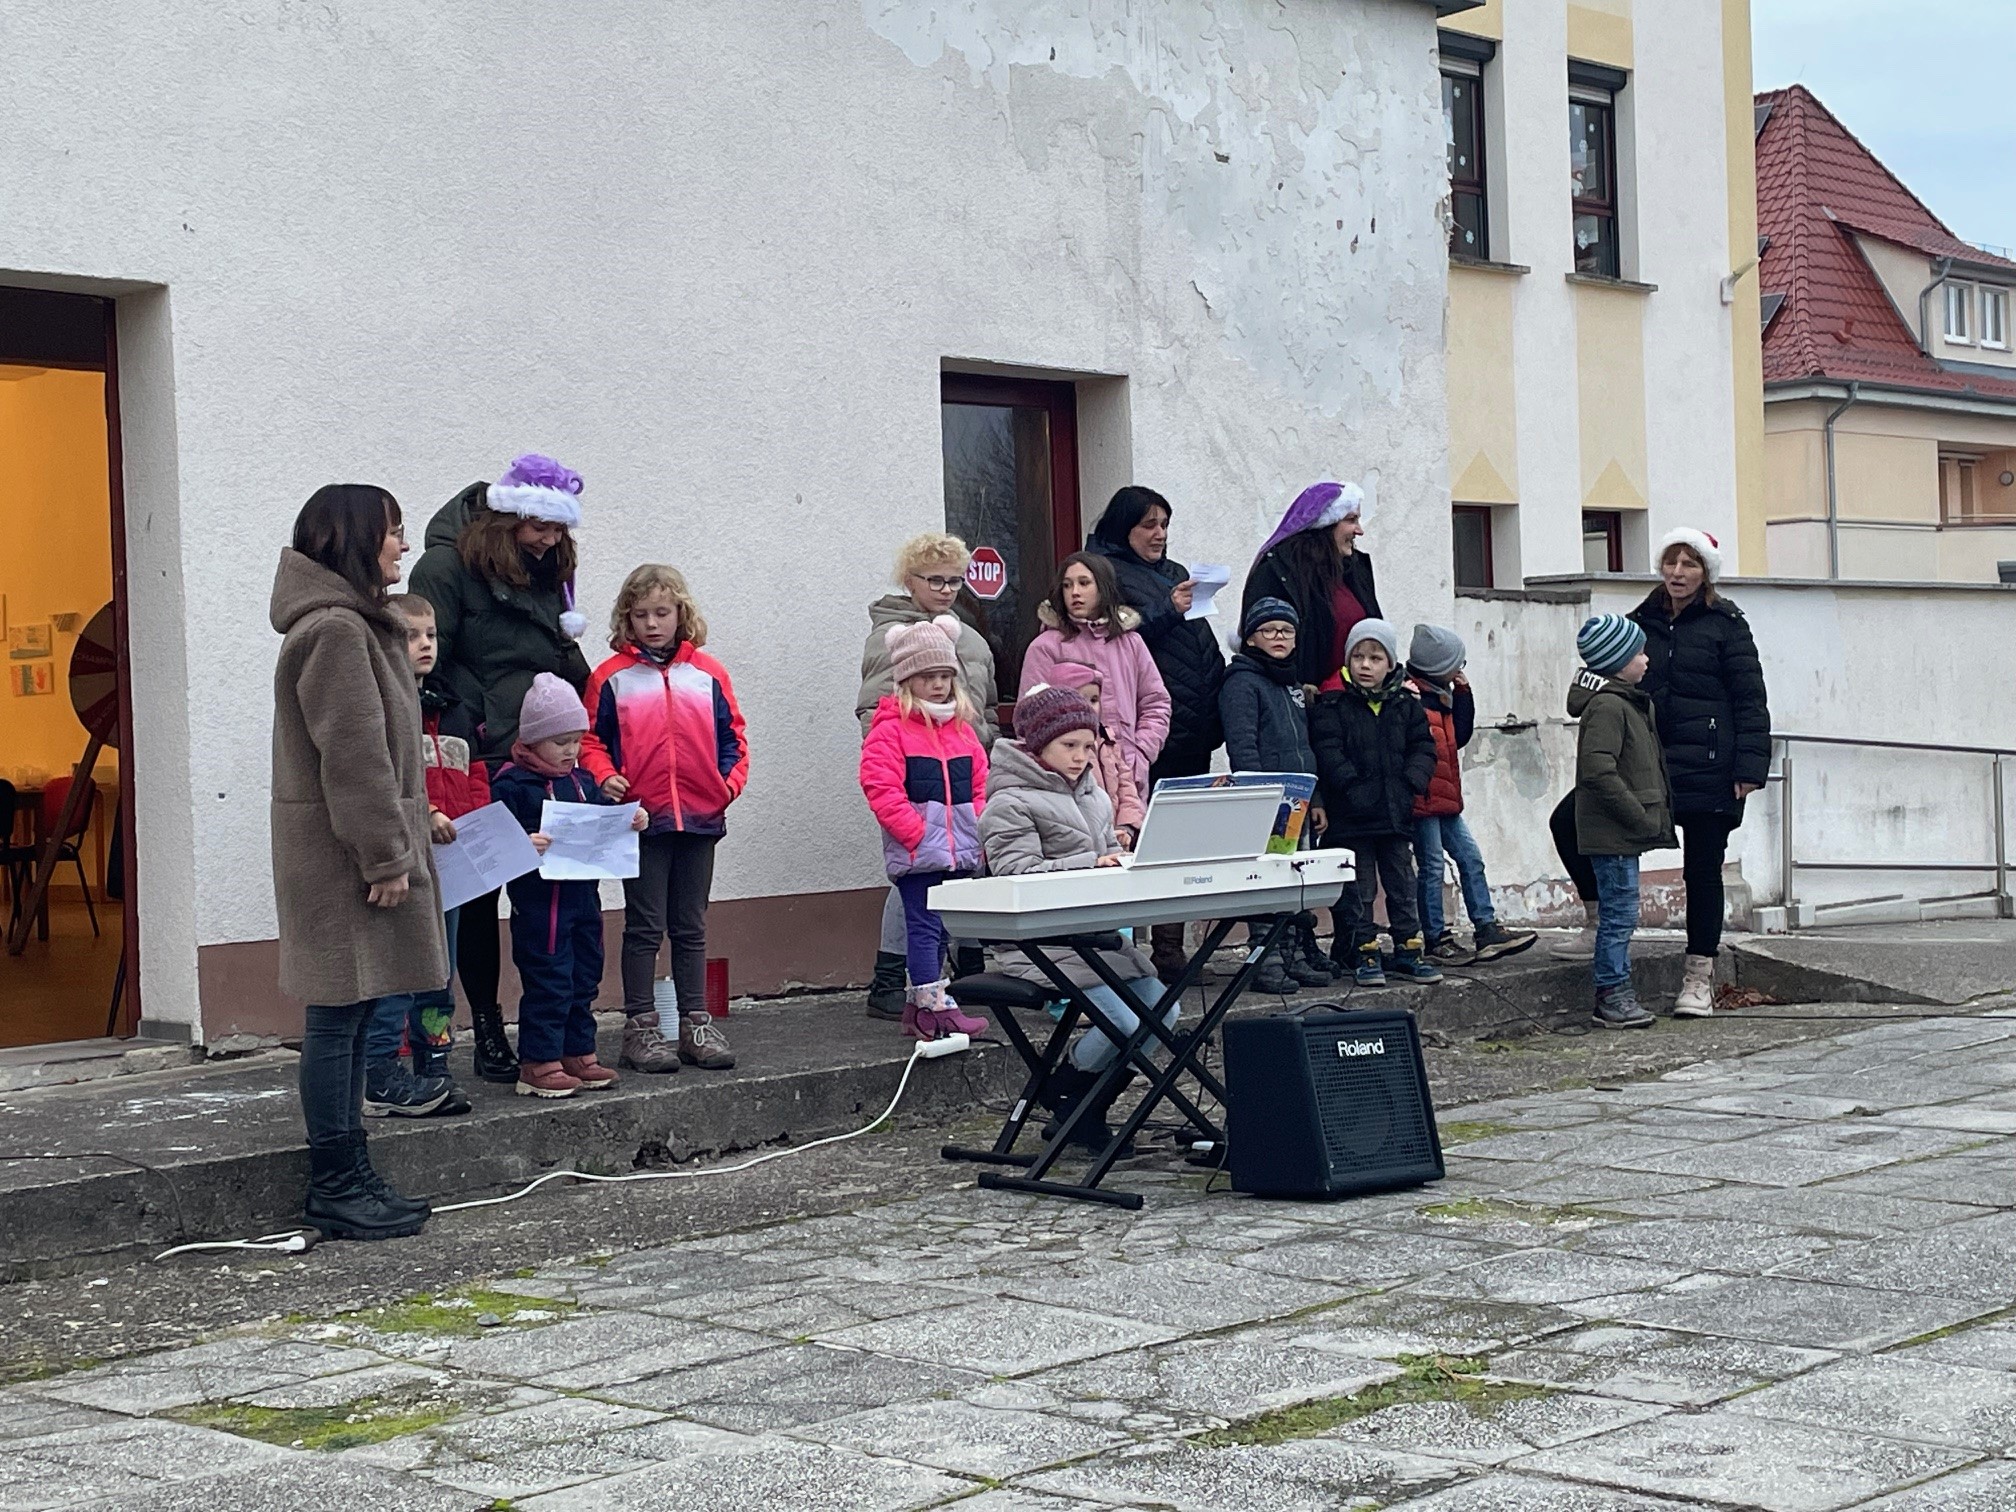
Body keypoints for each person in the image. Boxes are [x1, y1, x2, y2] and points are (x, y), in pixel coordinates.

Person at [270, 484, 445, 1241]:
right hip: (345, 857)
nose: (403, 545)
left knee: (357, 1010)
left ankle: (353, 1173)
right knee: (338, 1017)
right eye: (393, 531)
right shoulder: (336, 631)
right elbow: (354, 758)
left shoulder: (356, 624)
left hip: (357, 851)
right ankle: (336, 1183)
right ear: (355, 538)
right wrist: (384, 857)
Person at [408, 453, 593, 1087]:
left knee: (557, 902)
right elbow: (430, 666)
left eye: (558, 529)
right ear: (506, 518)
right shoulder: (445, 567)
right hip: (480, 752)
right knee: (479, 898)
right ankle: (484, 1027)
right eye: (539, 526)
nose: (549, 539)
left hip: (540, 752)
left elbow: (558, 650)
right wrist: (474, 726)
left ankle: (556, 1038)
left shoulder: (545, 571)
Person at [980, 685, 1172, 1151]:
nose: (1082, 757)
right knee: (1121, 1021)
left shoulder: (1096, 799)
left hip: (1094, 938)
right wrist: (1091, 864)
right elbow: (1014, 875)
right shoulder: (1009, 803)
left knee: (1164, 1010)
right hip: (1038, 943)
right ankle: (1068, 1095)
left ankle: (1084, 1105)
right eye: (1069, 745)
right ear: (1037, 744)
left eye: (1088, 746)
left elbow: (1106, 861)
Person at [582, 564, 747, 1073]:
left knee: (691, 925)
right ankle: (640, 1027)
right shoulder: (610, 677)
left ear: (681, 613)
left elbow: (734, 739)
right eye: (641, 615)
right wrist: (606, 777)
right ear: (626, 619)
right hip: (641, 820)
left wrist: (726, 788)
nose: (652, 623)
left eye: (662, 612)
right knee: (645, 926)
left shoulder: (709, 673)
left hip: (700, 817)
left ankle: (695, 1023)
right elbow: (590, 740)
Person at [856, 532, 1001, 1021]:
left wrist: (984, 752)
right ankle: (893, 981)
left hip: (961, 775)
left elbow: (985, 705)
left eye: (955, 581)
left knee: (956, 892)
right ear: (910, 579)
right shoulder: (894, 638)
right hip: (915, 782)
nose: (945, 590)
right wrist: (903, 791)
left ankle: (958, 979)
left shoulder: (970, 637)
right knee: (915, 894)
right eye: (934, 580)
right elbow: (876, 710)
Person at [1630, 528, 1770, 1016]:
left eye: (1689, 563)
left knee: (1703, 871)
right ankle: (1597, 924)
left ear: (1705, 571)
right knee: (1575, 826)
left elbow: (1750, 700)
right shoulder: (1639, 621)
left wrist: (1749, 767)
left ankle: (1698, 976)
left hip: (1712, 766)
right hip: (1652, 765)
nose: (1678, 572)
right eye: (1671, 562)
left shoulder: (1727, 625)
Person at [1086, 488, 1226, 971]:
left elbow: (1198, 642)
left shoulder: (1174, 572)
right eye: (1148, 524)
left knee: (1177, 843)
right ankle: (1120, 954)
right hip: (1143, 736)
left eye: (1164, 524)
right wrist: (1169, 609)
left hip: (1189, 729)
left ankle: (1169, 949)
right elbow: (1111, 639)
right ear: (1123, 526)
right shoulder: (1103, 574)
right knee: (1128, 839)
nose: (1160, 534)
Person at [359, 593, 487, 1118]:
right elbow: (386, 778)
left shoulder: (451, 706)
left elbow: (474, 771)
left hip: (450, 865)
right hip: (405, 861)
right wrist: (429, 812)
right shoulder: (384, 705)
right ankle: (381, 1072)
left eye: (430, 634)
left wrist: (479, 820)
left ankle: (434, 1066)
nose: (424, 645)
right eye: (411, 636)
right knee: (401, 973)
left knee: (440, 971)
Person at [492, 674, 648, 1097]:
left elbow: (601, 824)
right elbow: (494, 841)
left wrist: (629, 820)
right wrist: (522, 843)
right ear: (533, 740)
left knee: (584, 975)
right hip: (540, 908)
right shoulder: (511, 784)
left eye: (577, 740)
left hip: (583, 901)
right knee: (549, 979)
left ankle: (577, 1051)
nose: (571, 750)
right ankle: (538, 1061)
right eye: (560, 741)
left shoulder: (581, 782)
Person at [1309, 619, 1441, 988]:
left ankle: (1409, 949)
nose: (1365, 665)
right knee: (1359, 889)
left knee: (1402, 884)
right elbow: (1328, 752)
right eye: (1358, 657)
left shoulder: (1405, 706)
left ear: (1390, 664)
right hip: (1352, 817)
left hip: (1395, 814)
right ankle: (1363, 951)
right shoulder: (1333, 706)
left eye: (1375, 658)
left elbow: (1423, 748)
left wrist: (1410, 782)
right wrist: (1352, 786)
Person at [1405, 624, 1537, 967]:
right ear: (1437, 666)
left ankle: (1486, 929)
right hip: (1422, 801)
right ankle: (1436, 938)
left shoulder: (1441, 698)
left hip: (1446, 799)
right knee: (1432, 867)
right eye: (1456, 664)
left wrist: (1464, 694)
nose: (1459, 670)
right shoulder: (1412, 699)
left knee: (1470, 858)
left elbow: (1458, 737)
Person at [1218, 597, 1331, 994]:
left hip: (1300, 799)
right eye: (1268, 630)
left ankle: (1293, 954)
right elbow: (1242, 746)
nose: (1279, 637)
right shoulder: (1241, 682)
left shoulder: (1292, 684)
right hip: (1268, 804)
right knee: (1267, 880)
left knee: (1294, 880)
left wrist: (1316, 799)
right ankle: (1265, 961)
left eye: (1286, 630)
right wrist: (1259, 797)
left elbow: (1305, 747)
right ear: (1251, 638)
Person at [1569, 614, 1672, 1030]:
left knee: (1621, 913)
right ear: (1617, 661)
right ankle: (1612, 994)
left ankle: (1616, 992)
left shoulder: (1624, 702)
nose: (1646, 660)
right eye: (1638, 653)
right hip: (1613, 833)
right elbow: (1598, 770)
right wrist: (1637, 814)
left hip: (1619, 832)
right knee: (1619, 915)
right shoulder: (1609, 706)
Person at [1019, 552, 1171, 794]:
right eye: (1067, 585)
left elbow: (1156, 702)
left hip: (1128, 775)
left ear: (1103, 587)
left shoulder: (1131, 643)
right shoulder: (1045, 647)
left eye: (1084, 583)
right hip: (1070, 781)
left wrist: (1141, 751)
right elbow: (1028, 718)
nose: (1075, 592)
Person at [1242, 481, 1383, 690]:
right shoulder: (1278, 572)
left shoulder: (1356, 570)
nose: (1359, 531)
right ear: (1325, 524)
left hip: (1357, 701)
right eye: (1351, 520)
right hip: (1306, 701)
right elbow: (1263, 645)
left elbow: (1377, 637)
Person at [1043, 662, 1144, 846]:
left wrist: (1127, 826)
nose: (1088, 706)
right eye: (1080, 698)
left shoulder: (1108, 739)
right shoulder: (1056, 749)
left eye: (1094, 699)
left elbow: (1126, 787)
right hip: (1085, 842)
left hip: (1116, 838)